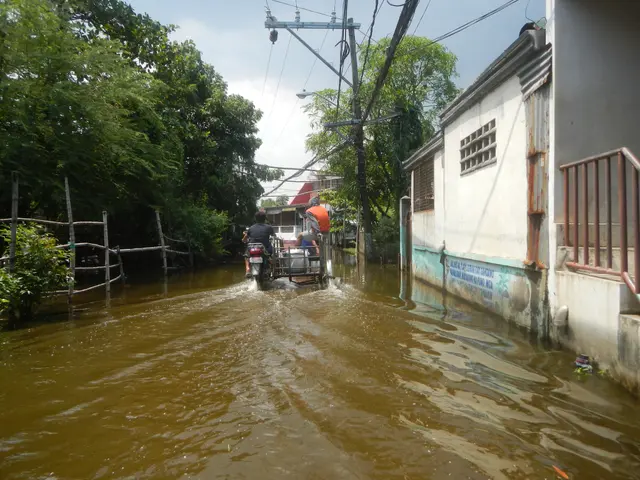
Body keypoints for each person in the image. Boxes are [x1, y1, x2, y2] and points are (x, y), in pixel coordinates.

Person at [244, 209, 275, 276]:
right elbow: (274, 236)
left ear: (255, 219)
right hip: (265, 248)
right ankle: (270, 267)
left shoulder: (251, 228)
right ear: (265, 219)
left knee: (246, 256)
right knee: (271, 254)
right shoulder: (269, 227)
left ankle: (248, 269)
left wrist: (244, 239)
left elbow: (246, 237)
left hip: (251, 247)